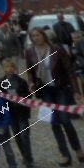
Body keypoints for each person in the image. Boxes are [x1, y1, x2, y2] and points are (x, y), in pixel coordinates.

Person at [25, 27, 83, 166]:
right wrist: (31, 83)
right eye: (33, 36)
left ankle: (78, 150)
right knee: (54, 123)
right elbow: (30, 72)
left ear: (43, 35)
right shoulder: (30, 52)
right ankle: (65, 155)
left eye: (38, 35)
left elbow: (69, 70)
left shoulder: (57, 49)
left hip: (61, 89)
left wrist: (76, 90)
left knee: (65, 120)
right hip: (45, 91)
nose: (36, 38)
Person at [0, 56, 34, 168]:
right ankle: (24, 156)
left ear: (14, 68)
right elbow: (0, 97)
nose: (8, 69)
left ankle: (29, 160)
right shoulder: (1, 82)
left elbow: (29, 96)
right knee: (18, 137)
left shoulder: (21, 81)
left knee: (24, 136)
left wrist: (20, 98)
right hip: (11, 113)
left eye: (10, 66)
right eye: (6, 67)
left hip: (22, 113)